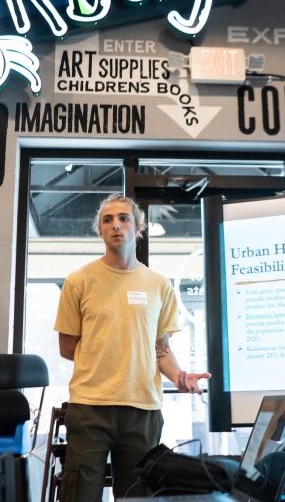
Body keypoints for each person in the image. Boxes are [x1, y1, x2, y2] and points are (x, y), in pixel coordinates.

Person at [55, 193, 211, 502]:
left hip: (142, 410)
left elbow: (160, 349)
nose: (116, 225)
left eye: (124, 218)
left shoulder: (159, 285)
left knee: (137, 495)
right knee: (79, 495)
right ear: (100, 230)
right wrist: (108, 357)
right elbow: (67, 347)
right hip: (90, 408)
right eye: (107, 220)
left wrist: (180, 376)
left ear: (137, 227)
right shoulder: (78, 281)